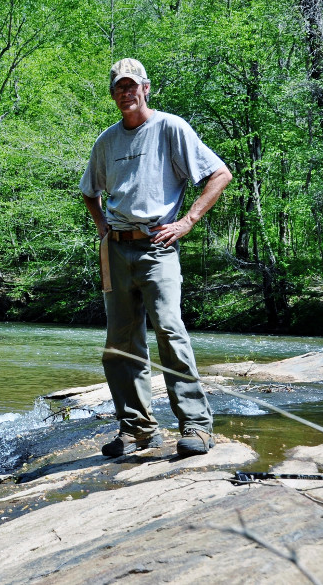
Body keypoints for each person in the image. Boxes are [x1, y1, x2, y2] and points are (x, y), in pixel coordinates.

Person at [79, 58, 232, 458]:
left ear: (146, 88)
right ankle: (138, 429)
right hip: (115, 248)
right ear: (113, 94)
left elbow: (220, 174)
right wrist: (103, 229)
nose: (126, 92)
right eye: (118, 88)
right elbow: (89, 192)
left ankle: (197, 427)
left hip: (158, 246)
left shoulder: (170, 127)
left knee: (169, 329)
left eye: (132, 86)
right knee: (120, 343)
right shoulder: (107, 141)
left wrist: (188, 221)